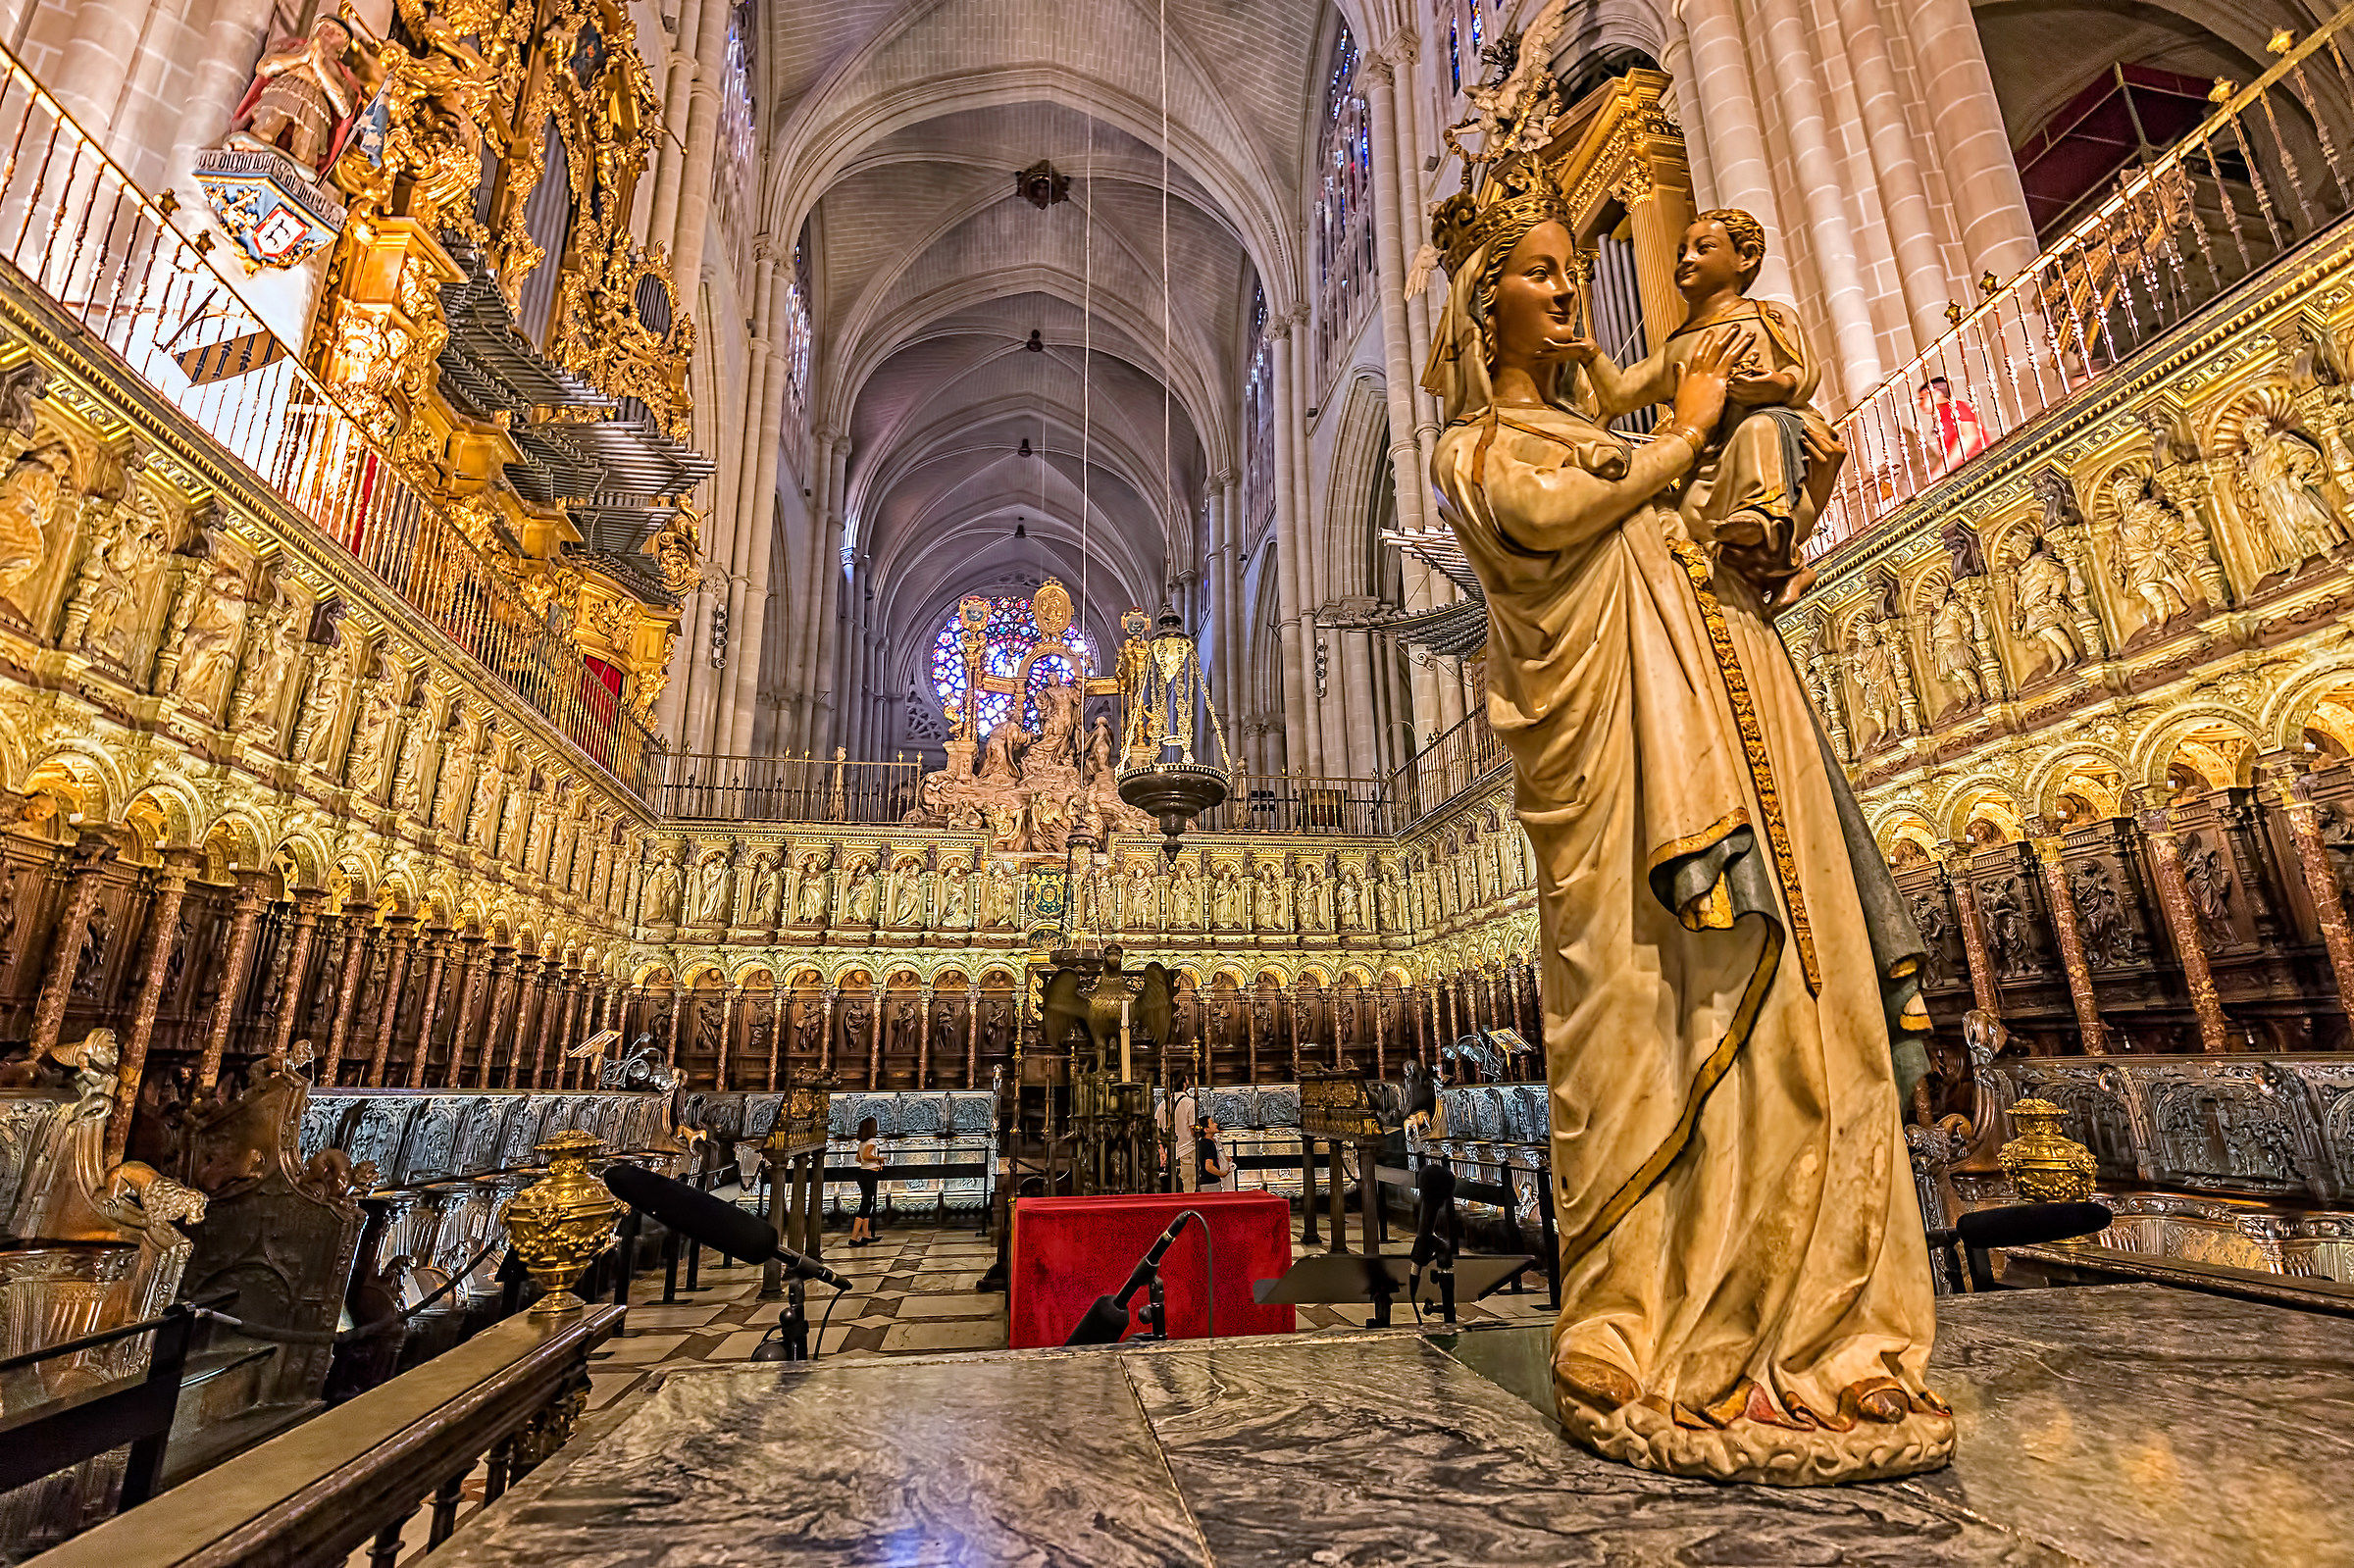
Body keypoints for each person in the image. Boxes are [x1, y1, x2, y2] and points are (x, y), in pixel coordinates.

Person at [1420, 132, 1947, 1485]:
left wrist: (1748, 463)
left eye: (1569, 270)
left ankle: (1808, 1322)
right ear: (1489, 315)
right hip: (1618, 781)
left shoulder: (1612, 425)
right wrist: (1695, 424)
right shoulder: (1476, 446)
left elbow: (1687, 505)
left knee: (1794, 1006)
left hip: (1726, 722)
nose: (1569, 294)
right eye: (1541, 277)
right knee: (1645, 1007)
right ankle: (1645, 1314)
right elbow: (1562, 504)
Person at [1582, 208, 1841, 618]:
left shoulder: (1768, 315)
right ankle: (1783, 565)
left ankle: (1764, 518)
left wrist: (1773, 386)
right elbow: (1618, 395)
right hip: (1711, 457)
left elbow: (1802, 371)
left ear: (1747, 257)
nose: (1686, 258)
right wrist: (1589, 351)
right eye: (1682, 250)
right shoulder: (1675, 347)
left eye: (1704, 248)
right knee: (1693, 542)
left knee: (1758, 430)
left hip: (1779, 428)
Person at [1918, 377, 1990, 472]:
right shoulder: (1941, 416)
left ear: (1935, 392)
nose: (1920, 404)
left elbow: (1968, 436)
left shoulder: (1956, 407)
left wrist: (1942, 470)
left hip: (1978, 464)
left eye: (1922, 398)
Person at [848, 1115, 886, 1246]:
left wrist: (870, 1159)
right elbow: (865, 1156)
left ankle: (865, 1235)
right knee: (865, 1205)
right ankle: (853, 1237)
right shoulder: (872, 1141)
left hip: (862, 1173)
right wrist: (879, 1159)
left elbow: (859, 1159)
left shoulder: (862, 1142)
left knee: (867, 1203)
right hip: (869, 1174)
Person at [1193, 1116, 1230, 1191]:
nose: (1216, 1124)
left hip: (1210, 1182)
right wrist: (1222, 1173)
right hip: (1210, 1183)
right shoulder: (1208, 1143)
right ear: (1206, 1129)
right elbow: (1209, 1166)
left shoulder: (1208, 1142)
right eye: (1212, 1123)